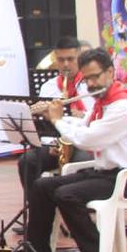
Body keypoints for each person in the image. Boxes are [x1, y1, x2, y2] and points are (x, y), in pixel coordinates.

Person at [5, 48, 127, 252]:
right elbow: (83, 125)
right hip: (102, 173)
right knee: (41, 186)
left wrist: (57, 120)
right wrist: (54, 116)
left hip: (123, 179)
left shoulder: (123, 107)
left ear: (110, 72)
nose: (91, 84)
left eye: (95, 77)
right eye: (87, 78)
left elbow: (88, 139)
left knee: (66, 195)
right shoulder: (103, 104)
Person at [16, 36, 96, 195]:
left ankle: (72, 202)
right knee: (27, 161)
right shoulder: (49, 87)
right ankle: (36, 204)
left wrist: (82, 116)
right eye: (61, 60)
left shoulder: (91, 85)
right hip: (57, 144)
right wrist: (51, 142)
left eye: (70, 59)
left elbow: (98, 118)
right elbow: (43, 125)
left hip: (83, 143)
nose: (65, 64)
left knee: (82, 162)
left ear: (79, 58)